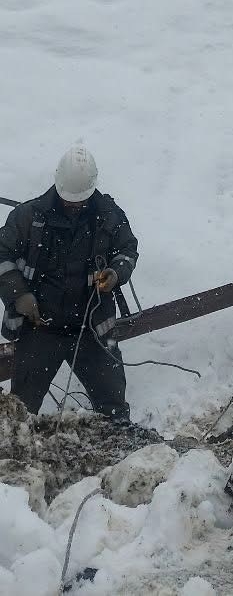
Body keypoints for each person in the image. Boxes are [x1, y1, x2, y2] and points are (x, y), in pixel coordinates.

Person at [0, 145, 138, 423]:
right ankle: (17, 462)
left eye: (80, 199)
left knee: (113, 409)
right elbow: (2, 256)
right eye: (69, 198)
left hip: (92, 328)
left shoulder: (109, 215)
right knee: (20, 416)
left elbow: (128, 250)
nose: (74, 204)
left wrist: (116, 272)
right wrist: (19, 296)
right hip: (41, 329)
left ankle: (123, 457)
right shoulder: (28, 217)